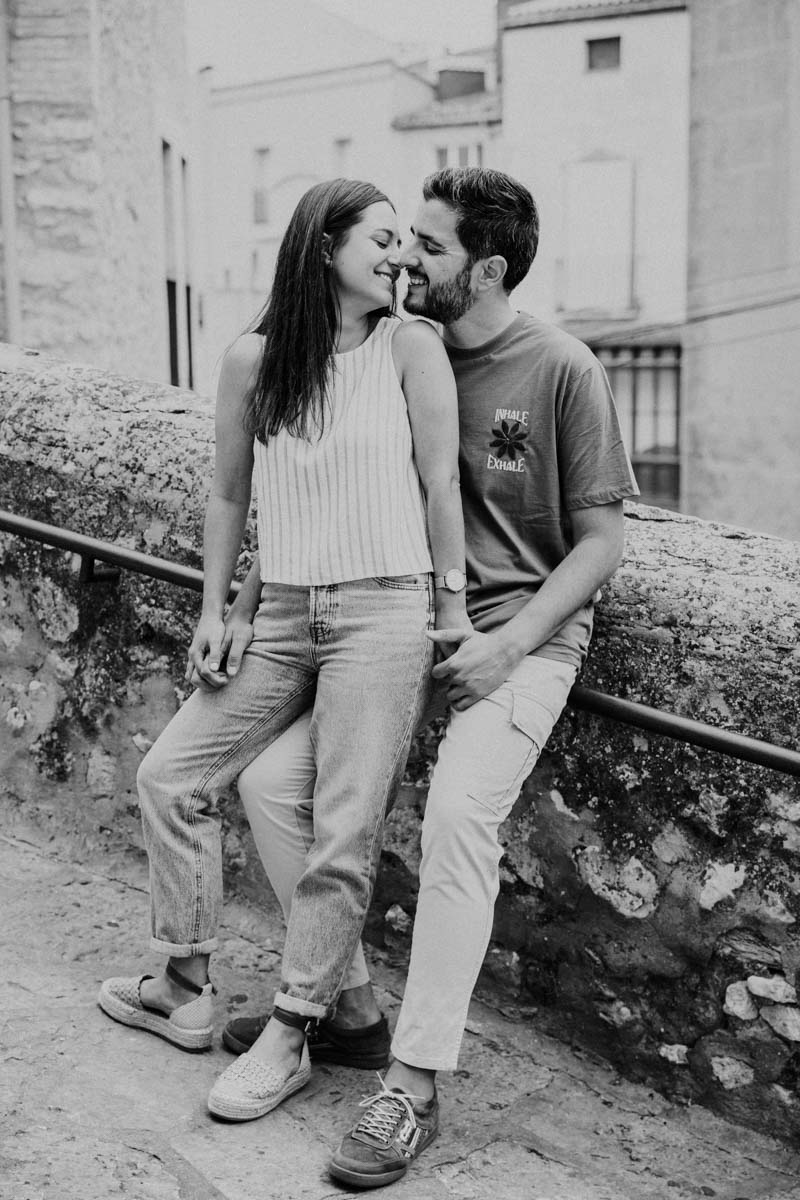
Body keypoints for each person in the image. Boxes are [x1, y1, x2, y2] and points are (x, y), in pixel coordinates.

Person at [220, 166, 640, 1186]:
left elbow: (602, 539)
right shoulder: (386, 345)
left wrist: (507, 640)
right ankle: (351, 1008)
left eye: (431, 245)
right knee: (269, 785)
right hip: (402, 625)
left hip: (522, 639)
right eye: (401, 236)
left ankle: (409, 1085)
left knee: (456, 816)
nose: (406, 254)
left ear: (486, 267)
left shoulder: (561, 367)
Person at [97, 177, 469, 1123]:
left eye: (405, 243)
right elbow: (229, 494)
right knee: (170, 776)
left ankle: (296, 1030)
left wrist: (452, 607)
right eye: (381, 239)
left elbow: (439, 489)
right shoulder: (255, 361)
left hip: (385, 615)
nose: (399, 257)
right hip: (284, 612)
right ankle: (187, 983)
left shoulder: (410, 346)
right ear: (322, 247)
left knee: (341, 832)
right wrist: (216, 609)